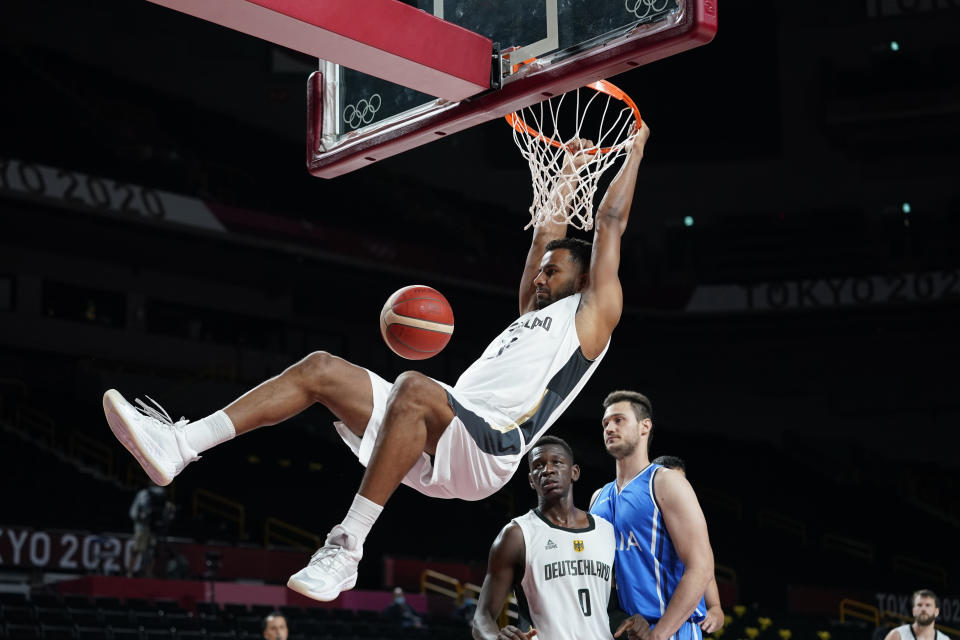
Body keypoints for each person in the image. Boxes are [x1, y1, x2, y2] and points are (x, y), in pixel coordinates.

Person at [102, 124, 651, 602]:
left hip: (493, 447)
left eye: (552, 273)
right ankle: (183, 443)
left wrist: (633, 151)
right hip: (442, 428)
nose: (539, 276)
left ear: (582, 281)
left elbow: (609, 224)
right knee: (320, 369)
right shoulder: (529, 312)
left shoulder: (592, 318)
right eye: (539, 271)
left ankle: (345, 548)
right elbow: (546, 236)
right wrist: (568, 173)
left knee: (413, 385)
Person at [590, 392, 714, 640]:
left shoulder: (666, 483)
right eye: (605, 423)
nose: (609, 428)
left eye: (619, 420)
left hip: (671, 631)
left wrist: (658, 635)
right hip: (624, 631)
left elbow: (701, 567)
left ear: (644, 426)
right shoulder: (598, 498)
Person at [473, 436, 617, 640]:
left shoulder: (606, 531)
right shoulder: (517, 534)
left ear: (574, 472)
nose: (547, 470)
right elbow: (482, 618)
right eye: (538, 466)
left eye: (557, 462)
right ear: (532, 480)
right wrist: (496, 638)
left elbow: (616, 604)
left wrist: (636, 619)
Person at [650, 455, 724, 635]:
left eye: (681, 484)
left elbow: (715, 607)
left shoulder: (696, 539)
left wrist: (715, 613)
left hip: (684, 630)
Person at [884, 590, 951, 640]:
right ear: (913, 611)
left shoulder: (944, 639)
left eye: (928, 605)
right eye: (919, 605)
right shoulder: (897, 635)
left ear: (936, 612)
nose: (923, 609)